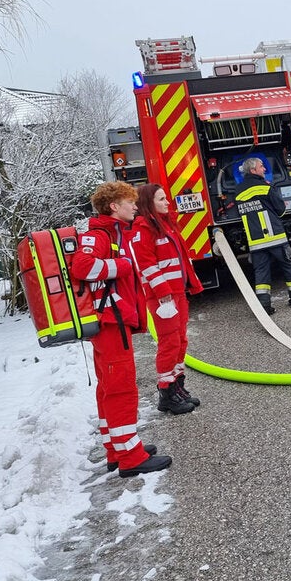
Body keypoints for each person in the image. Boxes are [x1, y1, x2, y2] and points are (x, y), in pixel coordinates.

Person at [71, 181, 172, 478]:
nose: (135, 207)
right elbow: (82, 267)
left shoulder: (112, 233)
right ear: (114, 206)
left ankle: (116, 449)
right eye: (130, 203)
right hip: (110, 322)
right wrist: (122, 266)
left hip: (111, 321)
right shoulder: (99, 235)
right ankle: (130, 456)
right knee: (121, 389)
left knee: (109, 387)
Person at [129, 183, 204, 415]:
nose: (167, 202)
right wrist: (163, 295)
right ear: (148, 203)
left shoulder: (165, 225)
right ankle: (166, 392)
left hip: (176, 292)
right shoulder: (143, 229)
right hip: (163, 297)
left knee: (180, 341)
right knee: (169, 343)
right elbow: (147, 265)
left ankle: (177, 385)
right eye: (161, 199)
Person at [234, 156, 291, 314]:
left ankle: (264, 306)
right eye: (261, 166)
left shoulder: (238, 191)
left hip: (256, 241)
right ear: (253, 170)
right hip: (275, 238)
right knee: (288, 266)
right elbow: (281, 210)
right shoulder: (265, 187)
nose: (264, 169)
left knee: (261, 273)